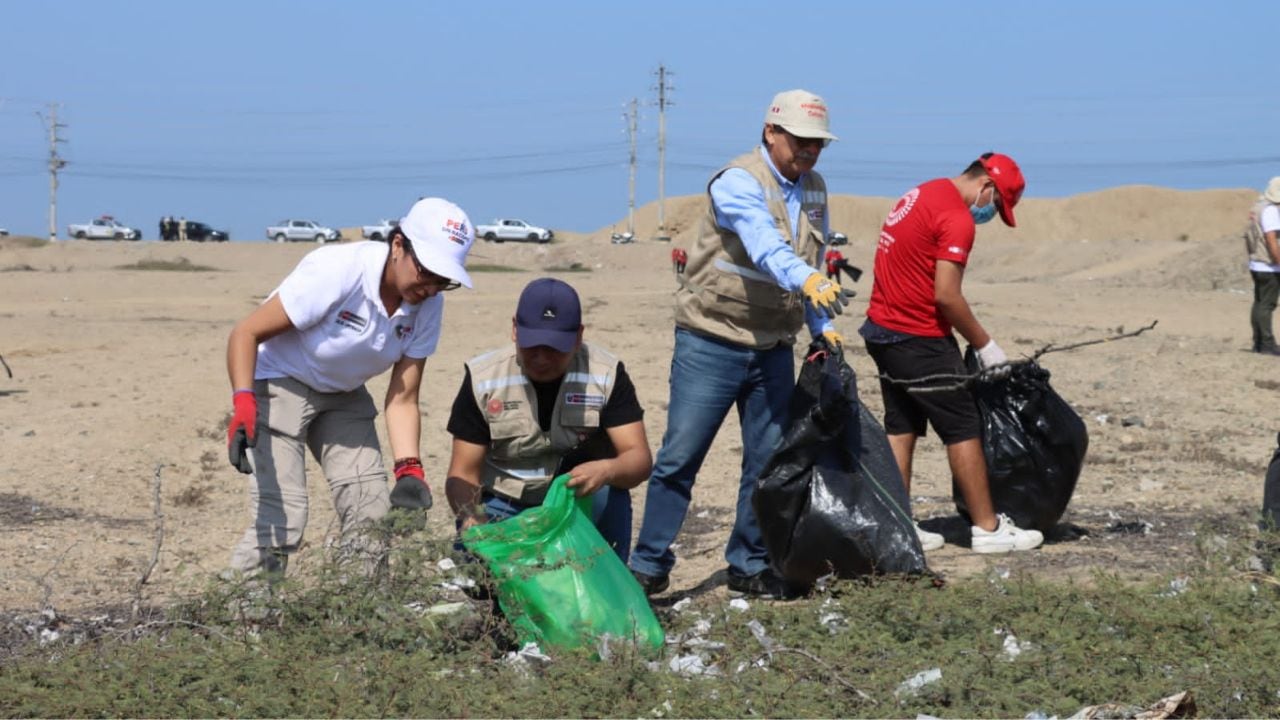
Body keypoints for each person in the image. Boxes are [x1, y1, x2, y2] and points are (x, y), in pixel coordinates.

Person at [628, 89, 852, 600]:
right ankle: (649, 563)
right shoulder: (737, 182)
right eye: (801, 141)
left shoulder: (814, 189)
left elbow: (813, 266)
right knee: (680, 457)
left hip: (773, 346)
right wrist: (808, 281)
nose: (810, 152)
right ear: (771, 132)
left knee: (767, 462)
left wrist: (822, 327)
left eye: (818, 143)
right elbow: (766, 246)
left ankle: (748, 564)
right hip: (712, 341)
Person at [224, 197, 475, 577]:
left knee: (371, 510)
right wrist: (243, 401)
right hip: (279, 380)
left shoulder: (427, 305)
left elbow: (403, 397)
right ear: (397, 245)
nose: (431, 287)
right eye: (427, 271)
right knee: (284, 516)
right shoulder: (339, 269)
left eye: (444, 280)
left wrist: (410, 470)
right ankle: (243, 619)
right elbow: (246, 332)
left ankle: (354, 619)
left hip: (344, 393)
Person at [859, 152, 1043, 554]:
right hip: (917, 336)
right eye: (996, 206)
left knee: (902, 424)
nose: (990, 214)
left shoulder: (922, 193)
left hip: (882, 329)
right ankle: (987, 529)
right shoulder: (958, 218)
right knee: (963, 426)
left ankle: (896, 524)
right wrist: (984, 344)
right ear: (986, 187)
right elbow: (946, 295)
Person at [444, 278, 652, 561]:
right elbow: (462, 474)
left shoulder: (606, 374)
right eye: (532, 345)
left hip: (576, 500)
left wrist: (607, 469)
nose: (541, 358)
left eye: (555, 347)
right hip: (503, 502)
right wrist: (472, 520)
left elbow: (638, 458)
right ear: (515, 329)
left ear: (578, 337)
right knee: (480, 577)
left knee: (609, 495)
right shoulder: (484, 378)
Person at [1247, 177, 1280, 355]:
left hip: (1256, 263)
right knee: (1267, 305)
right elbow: (1271, 239)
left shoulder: (1258, 207)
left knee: (1259, 304)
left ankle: (1258, 342)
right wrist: (1278, 260)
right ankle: (1267, 344)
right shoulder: (1271, 211)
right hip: (1268, 265)